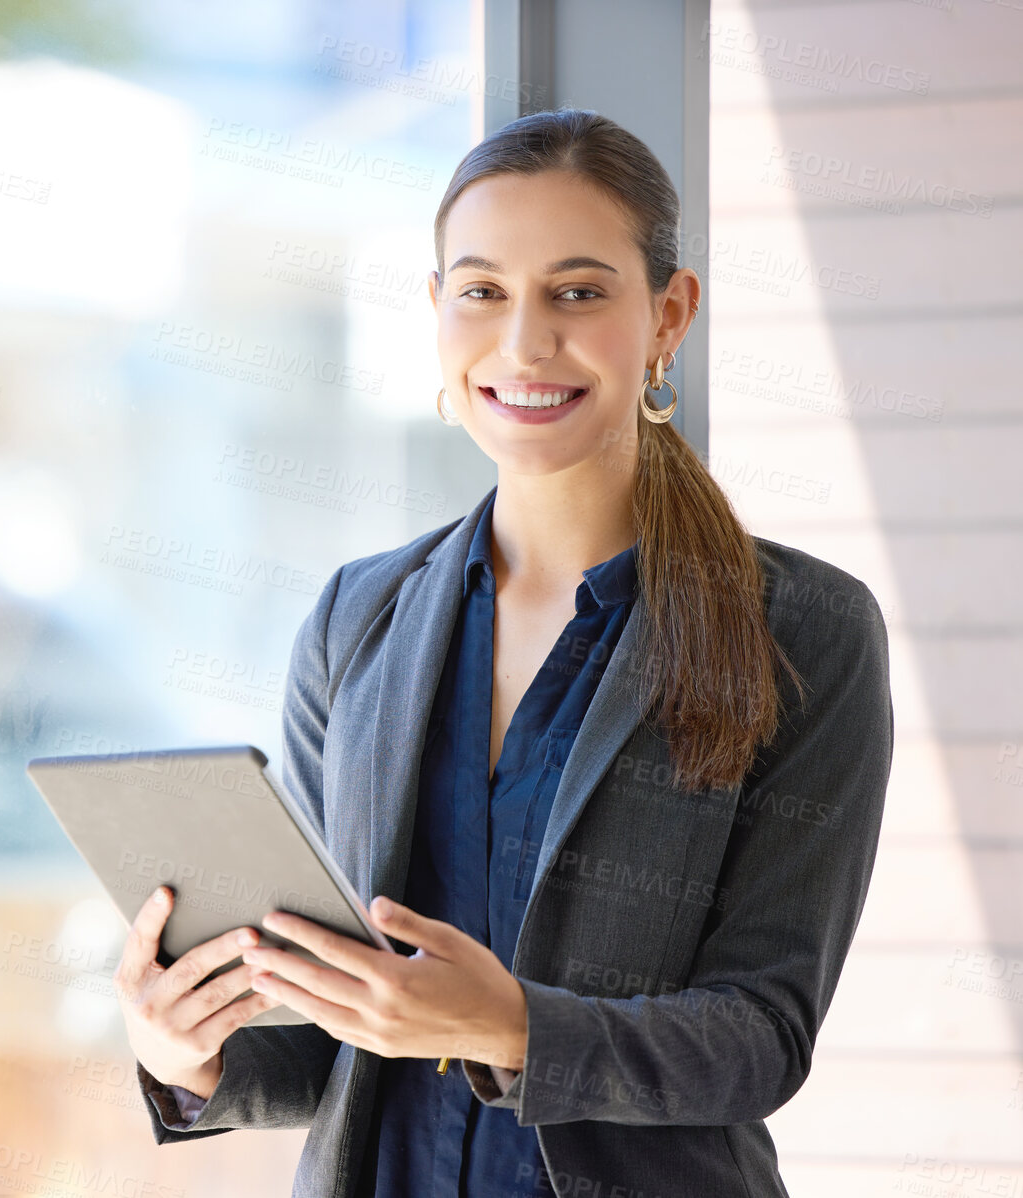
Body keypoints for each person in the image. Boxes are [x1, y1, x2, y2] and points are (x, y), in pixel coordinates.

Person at [110, 107, 894, 1197]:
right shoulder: (358, 618)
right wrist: (185, 1055)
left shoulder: (804, 628)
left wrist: (514, 1025)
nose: (525, 342)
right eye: (482, 291)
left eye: (579, 292)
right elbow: (336, 1037)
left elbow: (762, 1037)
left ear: (669, 316)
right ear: (437, 311)